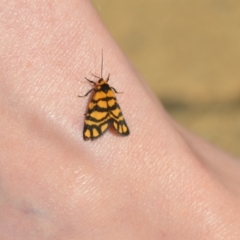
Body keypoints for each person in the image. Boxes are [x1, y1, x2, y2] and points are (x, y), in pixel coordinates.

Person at [1, 1, 240, 239]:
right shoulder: (106, 91)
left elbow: (93, 99)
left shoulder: (98, 91)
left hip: (98, 112)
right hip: (109, 109)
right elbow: (110, 105)